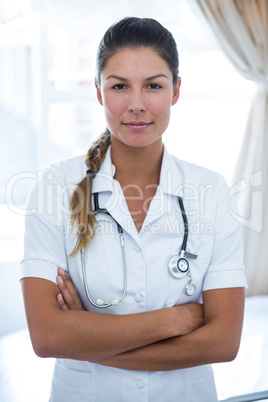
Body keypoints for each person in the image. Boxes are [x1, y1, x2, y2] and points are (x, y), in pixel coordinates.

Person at [20, 17, 247, 402]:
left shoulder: (210, 190)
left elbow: (223, 342)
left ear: (175, 91)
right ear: (98, 92)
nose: (137, 105)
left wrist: (90, 336)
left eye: (154, 86)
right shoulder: (54, 187)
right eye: (120, 86)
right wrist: (173, 321)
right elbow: (47, 337)